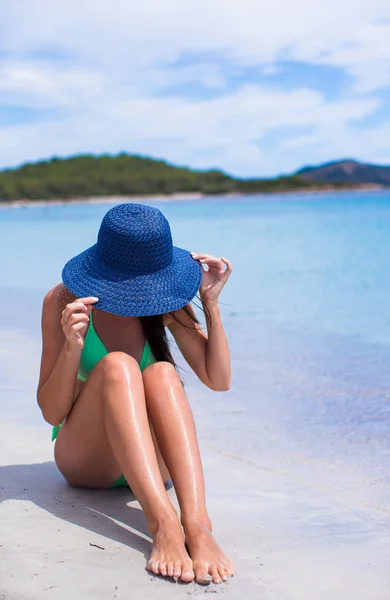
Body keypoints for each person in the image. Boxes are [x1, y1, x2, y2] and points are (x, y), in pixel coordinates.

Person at [37, 202, 234, 585]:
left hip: (154, 468)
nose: (139, 293)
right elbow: (50, 412)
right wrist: (72, 347)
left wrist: (210, 305)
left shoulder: (164, 304)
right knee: (118, 366)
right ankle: (162, 523)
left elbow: (218, 379)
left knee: (161, 372)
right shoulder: (63, 302)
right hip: (87, 462)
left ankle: (196, 523)